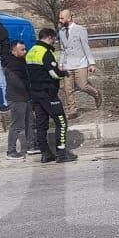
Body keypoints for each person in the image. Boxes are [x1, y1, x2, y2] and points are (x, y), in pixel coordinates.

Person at [25, 28, 77, 163]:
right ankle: (62, 154)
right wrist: (65, 74)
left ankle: (46, 153)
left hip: (35, 94)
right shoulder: (46, 52)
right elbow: (53, 73)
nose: (54, 42)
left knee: (41, 124)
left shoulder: (31, 51)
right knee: (61, 122)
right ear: (49, 38)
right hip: (48, 93)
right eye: (54, 39)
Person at [58, 9, 102, 118]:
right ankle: (72, 110)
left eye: (62, 18)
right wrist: (60, 63)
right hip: (67, 64)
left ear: (69, 18)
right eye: (59, 18)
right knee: (68, 89)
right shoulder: (61, 32)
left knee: (83, 85)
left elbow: (86, 47)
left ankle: (96, 93)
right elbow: (63, 49)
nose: (60, 20)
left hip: (80, 63)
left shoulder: (80, 30)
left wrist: (91, 63)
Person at [0, 40, 34, 159]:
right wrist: (28, 89)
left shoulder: (21, 62)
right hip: (17, 98)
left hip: (25, 97)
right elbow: (17, 82)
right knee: (17, 125)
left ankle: (31, 146)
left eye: (25, 49)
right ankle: (11, 150)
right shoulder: (12, 65)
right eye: (22, 49)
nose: (25, 51)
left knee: (29, 122)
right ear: (14, 51)